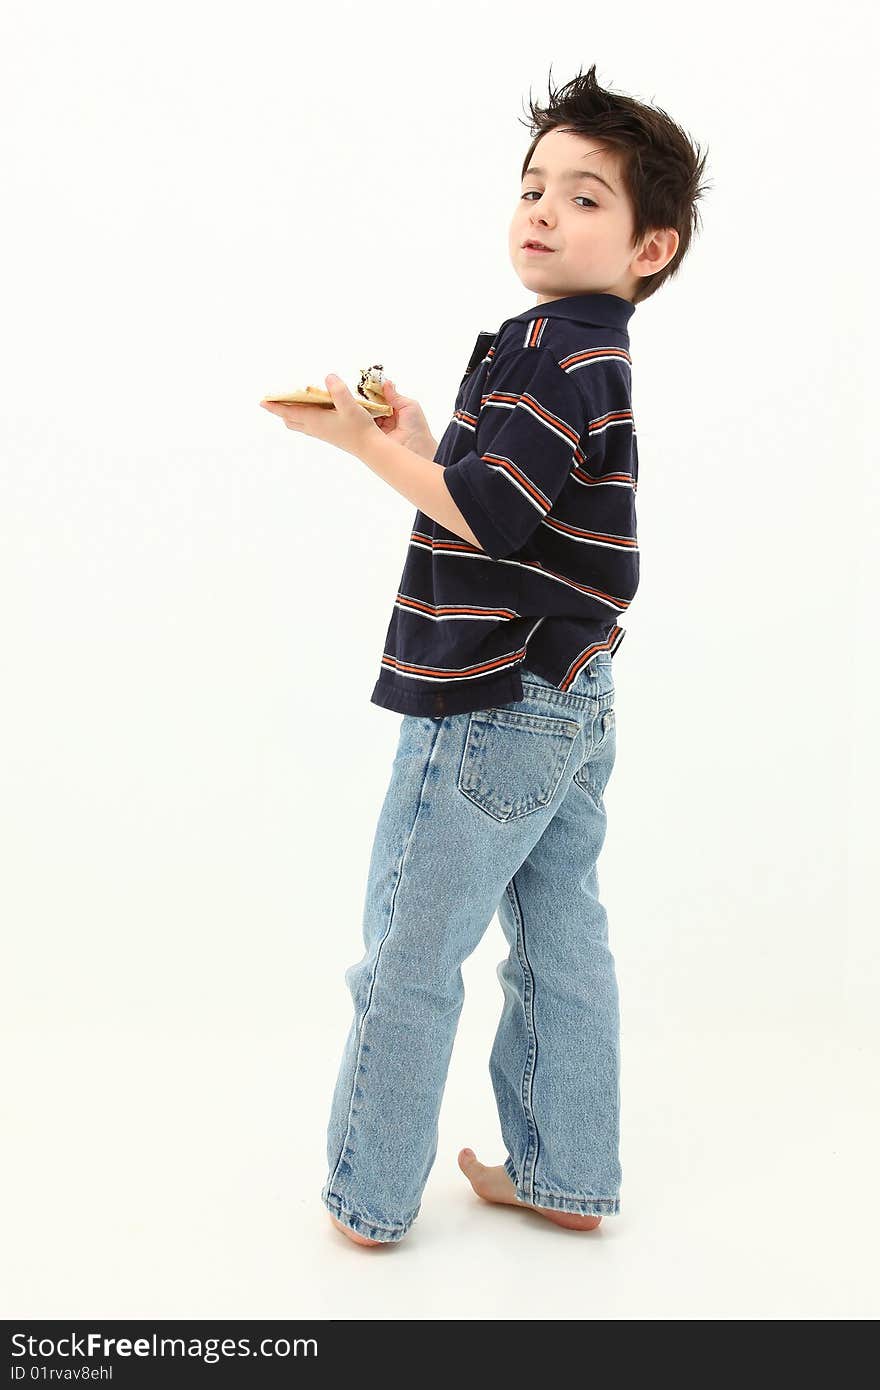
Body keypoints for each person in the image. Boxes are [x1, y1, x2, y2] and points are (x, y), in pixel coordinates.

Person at [260, 64, 709, 1245]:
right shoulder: (578, 349)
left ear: (649, 248)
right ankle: (566, 1172)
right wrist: (410, 437)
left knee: (408, 950)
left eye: (584, 197)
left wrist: (363, 450)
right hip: (570, 687)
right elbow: (489, 493)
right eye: (532, 186)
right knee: (561, 936)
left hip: (492, 695)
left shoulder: (551, 352)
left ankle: (368, 1198)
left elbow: (488, 519)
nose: (543, 210)